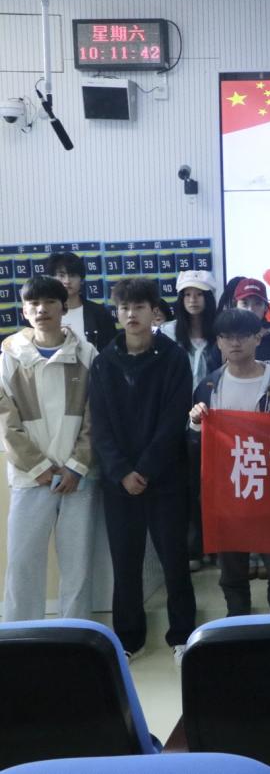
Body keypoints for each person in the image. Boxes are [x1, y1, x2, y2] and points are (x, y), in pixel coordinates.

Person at [88, 277, 196, 664]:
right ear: (116, 313)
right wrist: (122, 472)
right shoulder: (103, 362)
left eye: (138, 307)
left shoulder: (173, 358)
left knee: (174, 560)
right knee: (126, 562)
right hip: (119, 482)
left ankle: (183, 634)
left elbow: (174, 419)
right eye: (124, 308)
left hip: (165, 477)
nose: (131, 314)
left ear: (155, 312)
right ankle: (129, 638)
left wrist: (146, 469)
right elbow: (99, 425)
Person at [188, 308, 270, 617]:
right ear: (218, 342)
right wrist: (195, 425)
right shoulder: (208, 387)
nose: (234, 343)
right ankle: (237, 620)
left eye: (242, 336)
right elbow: (195, 446)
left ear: (257, 339)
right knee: (231, 566)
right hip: (226, 489)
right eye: (226, 337)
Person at [1, 276, 98, 622]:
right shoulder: (9, 356)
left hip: (78, 477)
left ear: (64, 307)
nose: (41, 309)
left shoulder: (87, 354)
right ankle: (20, 637)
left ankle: (75, 638)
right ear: (24, 310)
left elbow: (95, 416)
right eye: (33, 303)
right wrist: (39, 467)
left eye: (49, 302)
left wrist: (76, 466)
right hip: (31, 478)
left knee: (78, 565)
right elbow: (5, 420)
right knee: (23, 562)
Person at [161, 269, 220, 573]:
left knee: (214, 486)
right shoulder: (167, 333)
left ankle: (218, 546)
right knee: (184, 486)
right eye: (187, 294)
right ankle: (193, 546)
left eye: (199, 294)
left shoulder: (220, 332)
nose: (193, 300)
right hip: (177, 421)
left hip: (216, 421)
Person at [47, 251, 116, 351]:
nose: (67, 281)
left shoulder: (99, 313)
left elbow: (110, 351)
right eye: (61, 275)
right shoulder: (44, 312)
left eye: (72, 275)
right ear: (52, 279)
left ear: (82, 280)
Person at [234, 277, 270, 379]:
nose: (250, 309)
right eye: (244, 303)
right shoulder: (225, 338)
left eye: (257, 303)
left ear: (265, 307)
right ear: (235, 305)